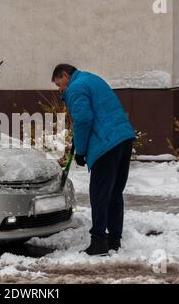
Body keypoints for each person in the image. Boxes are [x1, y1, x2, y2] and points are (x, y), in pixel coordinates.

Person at [52, 64, 136, 256]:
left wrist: (80, 151)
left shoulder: (76, 88)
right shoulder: (91, 79)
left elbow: (83, 119)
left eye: (59, 84)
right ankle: (114, 240)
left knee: (99, 193)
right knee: (115, 192)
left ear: (66, 75)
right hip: (123, 138)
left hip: (106, 143)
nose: (60, 89)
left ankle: (98, 242)